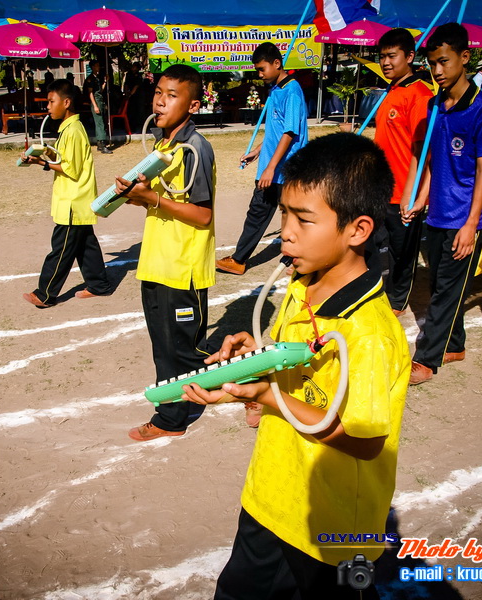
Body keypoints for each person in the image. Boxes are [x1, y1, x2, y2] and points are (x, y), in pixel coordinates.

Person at [182, 133, 410, 599]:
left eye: (304, 219)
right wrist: (258, 361)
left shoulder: (370, 333)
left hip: (327, 525)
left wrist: (269, 396)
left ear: (358, 230)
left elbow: (365, 443)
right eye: (284, 214)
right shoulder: (302, 284)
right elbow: (294, 362)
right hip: (270, 494)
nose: (285, 231)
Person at [113, 65, 216, 442]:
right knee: (165, 349)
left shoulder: (195, 148)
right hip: (156, 262)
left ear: (193, 106)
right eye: (158, 92)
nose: (160, 101)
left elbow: (202, 215)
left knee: (183, 350)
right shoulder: (163, 146)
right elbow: (165, 202)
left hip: (182, 267)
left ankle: (250, 386)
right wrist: (137, 196)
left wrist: (152, 198)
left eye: (172, 95)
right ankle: (173, 414)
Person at [403, 23, 482, 385]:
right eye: (432, 63)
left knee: (445, 289)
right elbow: (433, 161)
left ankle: (426, 358)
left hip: (464, 217)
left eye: (444, 61)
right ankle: (454, 344)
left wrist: (471, 224)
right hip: (437, 214)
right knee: (441, 285)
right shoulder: (434, 106)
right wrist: (421, 198)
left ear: (465, 57)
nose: (437, 70)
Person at [216, 42, 308, 276]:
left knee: (291, 215)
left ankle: (300, 260)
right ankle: (240, 260)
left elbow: (289, 134)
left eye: (261, 69)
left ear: (277, 63)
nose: (259, 74)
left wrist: (271, 167)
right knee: (261, 212)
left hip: (286, 169)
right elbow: (276, 132)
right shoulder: (275, 89)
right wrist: (257, 151)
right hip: (271, 166)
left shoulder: (292, 91)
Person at [21, 79, 113, 308]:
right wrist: (44, 154)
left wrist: (41, 163)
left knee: (61, 249)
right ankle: (99, 285)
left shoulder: (73, 131)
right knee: (85, 245)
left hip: (73, 201)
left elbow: (70, 169)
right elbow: (65, 159)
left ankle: (45, 294)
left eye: (51, 102)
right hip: (75, 200)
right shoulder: (68, 129)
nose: (48, 107)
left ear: (66, 102)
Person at [371, 28, 433, 316]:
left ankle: (397, 300)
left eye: (392, 56)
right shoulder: (390, 91)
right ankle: (375, 290)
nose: (385, 62)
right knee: (373, 243)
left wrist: (415, 193)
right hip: (381, 187)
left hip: (403, 191)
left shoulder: (420, 95)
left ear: (409, 56)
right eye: (382, 56)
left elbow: (423, 149)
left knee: (402, 251)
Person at [84, 59, 112, 154]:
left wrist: (105, 82)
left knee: (101, 122)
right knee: (100, 123)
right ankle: (103, 144)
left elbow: (100, 91)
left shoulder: (97, 78)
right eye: (96, 65)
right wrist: (95, 105)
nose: (98, 67)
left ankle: (100, 144)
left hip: (100, 100)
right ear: (92, 67)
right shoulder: (90, 79)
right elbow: (90, 93)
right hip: (96, 101)